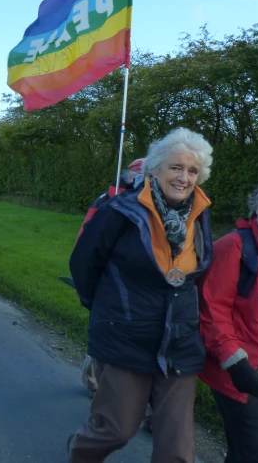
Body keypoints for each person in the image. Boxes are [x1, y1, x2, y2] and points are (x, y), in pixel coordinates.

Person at [67, 127, 214, 463]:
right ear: (156, 169)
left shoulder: (201, 214)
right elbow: (84, 264)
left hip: (180, 342)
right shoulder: (120, 211)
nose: (184, 178)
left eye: (192, 171)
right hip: (126, 337)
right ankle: (79, 454)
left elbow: (198, 273)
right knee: (114, 429)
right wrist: (106, 311)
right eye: (176, 167)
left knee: (177, 449)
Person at [199, 173, 258, 462]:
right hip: (241, 374)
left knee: (244, 454)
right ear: (255, 205)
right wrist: (235, 362)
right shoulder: (235, 246)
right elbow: (212, 309)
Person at [79, 158, 145, 399]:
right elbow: (85, 239)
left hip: (137, 288)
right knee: (103, 333)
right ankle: (93, 380)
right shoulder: (107, 201)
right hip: (107, 279)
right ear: (129, 177)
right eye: (138, 176)